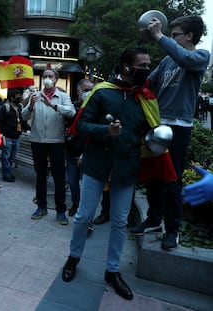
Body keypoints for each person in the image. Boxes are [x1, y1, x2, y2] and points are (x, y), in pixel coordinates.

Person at [61, 47, 157, 301]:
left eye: (148, 66)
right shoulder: (102, 92)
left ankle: (112, 271)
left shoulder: (145, 97)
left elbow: (152, 131)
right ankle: (73, 258)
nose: (146, 70)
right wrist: (106, 131)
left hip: (126, 168)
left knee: (119, 222)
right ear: (126, 67)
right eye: (142, 66)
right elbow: (80, 124)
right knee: (83, 216)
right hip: (97, 165)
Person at [130, 15, 210, 251]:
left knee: (172, 179)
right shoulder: (167, 60)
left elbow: (185, 58)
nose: (170, 37)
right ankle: (154, 220)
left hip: (178, 126)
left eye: (175, 34)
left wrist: (159, 36)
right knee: (154, 176)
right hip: (158, 124)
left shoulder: (201, 56)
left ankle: (172, 230)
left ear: (189, 36)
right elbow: (149, 82)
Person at [22, 68, 75, 225]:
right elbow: (24, 116)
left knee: (59, 178)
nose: (47, 78)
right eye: (45, 76)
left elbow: (71, 112)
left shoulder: (63, 97)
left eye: (50, 76)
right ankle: (41, 207)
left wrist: (53, 105)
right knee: (40, 176)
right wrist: (30, 105)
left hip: (56, 142)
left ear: (56, 80)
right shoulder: (35, 96)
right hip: (37, 142)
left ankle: (60, 211)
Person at [66, 79, 93, 217]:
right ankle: (75, 204)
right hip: (72, 152)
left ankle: (85, 208)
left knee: (86, 185)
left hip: (88, 154)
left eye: (91, 90)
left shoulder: (95, 109)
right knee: (72, 182)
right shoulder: (71, 108)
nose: (88, 93)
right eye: (86, 90)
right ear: (78, 91)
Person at [0, 89, 23, 182]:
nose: (19, 98)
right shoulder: (5, 107)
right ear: (11, 98)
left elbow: (21, 120)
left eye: (20, 96)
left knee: (12, 157)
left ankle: (8, 173)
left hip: (17, 137)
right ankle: (6, 174)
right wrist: (1, 134)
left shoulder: (19, 108)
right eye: (17, 96)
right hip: (7, 137)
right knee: (6, 157)